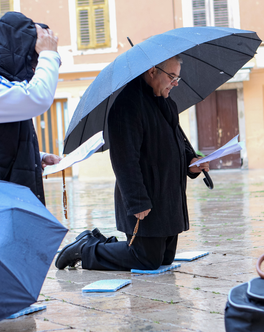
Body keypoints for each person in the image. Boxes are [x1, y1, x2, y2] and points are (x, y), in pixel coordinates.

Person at [55, 56, 211, 271]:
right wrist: (137, 200)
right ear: (152, 70)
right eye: (172, 76)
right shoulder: (127, 105)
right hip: (145, 196)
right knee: (145, 259)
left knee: (164, 259)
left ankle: (98, 242)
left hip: (169, 199)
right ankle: (85, 249)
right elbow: (124, 159)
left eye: (178, 77)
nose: (175, 83)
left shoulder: (168, 103)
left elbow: (173, 144)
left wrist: (190, 163)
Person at [0, 12, 62, 205]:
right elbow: (38, 98)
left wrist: (38, 156)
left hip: (8, 193)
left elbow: (1, 141)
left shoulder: (9, 83)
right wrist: (49, 54)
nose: (35, 67)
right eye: (35, 59)